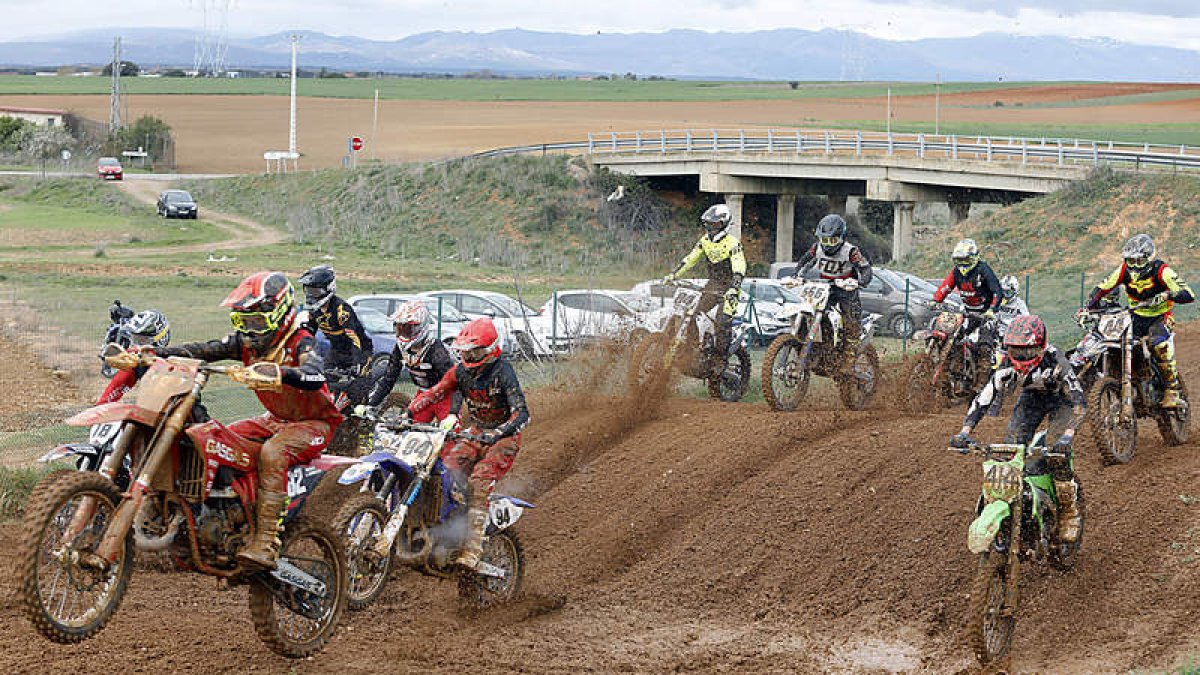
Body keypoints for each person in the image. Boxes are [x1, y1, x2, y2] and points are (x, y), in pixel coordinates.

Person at [156, 272, 342, 569]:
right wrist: (156, 352)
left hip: (314, 424)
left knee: (273, 452)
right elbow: (206, 349)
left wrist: (281, 373)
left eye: (257, 322)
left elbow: (314, 372)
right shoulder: (247, 345)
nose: (251, 331)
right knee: (214, 439)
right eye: (244, 323)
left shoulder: (301, 341)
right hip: (276, 419)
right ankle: (227, 512)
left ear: (279, 314)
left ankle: (266, 541)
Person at [950, 315, 1085, 543]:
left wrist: (1067, 436)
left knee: (1055, 455)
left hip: (1062, 402)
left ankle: (1069, 512)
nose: (1021, 357)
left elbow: (1079, 403)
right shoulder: (1005, 366)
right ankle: (1016, 505)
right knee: (1010, 452)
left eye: (1027, 352)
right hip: (1031, 399)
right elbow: (984, 398)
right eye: (1017, 351)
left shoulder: (1056, 361)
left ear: (1041, 347)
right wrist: (965, 431)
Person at [407, 318, 529, 570]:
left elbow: (522, 413)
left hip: (503, 438)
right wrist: (410, 410)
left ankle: (472, 549)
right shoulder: (460, 372)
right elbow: (437, 391)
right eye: (466, 351)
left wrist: (499, 432)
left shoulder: (502, 372)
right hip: (475, 433)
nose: (470, 356)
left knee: (480, 480)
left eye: (475, 351)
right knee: (444, 472)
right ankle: (445, 531)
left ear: (490, 349)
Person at [1085, 234, 1194, 407]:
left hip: (1160, 317)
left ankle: (1172, 390)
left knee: (1159, 344)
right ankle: (1125, 378)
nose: (1135, 266)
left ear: (1149, 259)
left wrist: (1167, 294)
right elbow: (1103, 287)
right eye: (1131, 261)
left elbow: (1189, 294)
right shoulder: (1123, 270)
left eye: (1139, 261)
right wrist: (1088, 307)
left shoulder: (1162, 270)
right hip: (1135, 316)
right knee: (1113, 342)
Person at [662, 203, 746, 365]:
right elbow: (689, 259)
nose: (711, 227)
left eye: (715, 224)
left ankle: (720, 360)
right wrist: (673, 274)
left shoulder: (733, 243)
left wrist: (735, 287)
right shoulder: (704, 241)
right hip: (713, 285)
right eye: (709, 224)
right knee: (692, 314)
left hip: (730, 288)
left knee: (722, 321)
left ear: (724, 224)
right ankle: (692, 350)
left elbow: (739, 266)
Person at [791, 213, 872, 369]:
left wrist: (860, 281)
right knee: (810, 310)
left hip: (845, 288)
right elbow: (805, 261)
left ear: (841, 238)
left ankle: (849, 357)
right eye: (824, 240)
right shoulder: (817, 247)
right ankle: (811, 346)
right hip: (825, 286)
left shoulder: (851, 251)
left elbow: (865, 268)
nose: (827, 244)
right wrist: (796, 275)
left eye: (832, 240)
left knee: (850, 319)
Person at [361, 300, 462, 424]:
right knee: (408, 429)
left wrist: (453, 413)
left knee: (448, 433)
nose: (403, 333)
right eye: (399, 328)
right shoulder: (399, 348)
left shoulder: (436, 350)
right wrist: (371, 404)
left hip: (446, 396)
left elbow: (454, 383)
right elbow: (389, 378)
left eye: (408, 329)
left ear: (421, 327)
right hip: (423, 396)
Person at [298, 264, 372, 388]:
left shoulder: (341, 310)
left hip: (360, 350)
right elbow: (309, 332)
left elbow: (354, 339)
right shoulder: (314, 310)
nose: (311, 295)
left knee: (359, 386)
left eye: (315, 291)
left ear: (328, 288)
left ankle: (367, 405)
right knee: (320, 382)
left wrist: (357, 363)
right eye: (309, 290)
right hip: (336, 351)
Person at [932, 238, 1003, 350]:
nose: (962, 264)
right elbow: (946, 286)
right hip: (967, 312)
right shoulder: (956, 271)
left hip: (985, 313)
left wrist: (992, 309)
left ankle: (985, 365)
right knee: (954, 336)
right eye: (959, 260)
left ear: (974, 257)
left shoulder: (983, 269)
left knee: (984, 342)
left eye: (965, 260)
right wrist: (936, 300)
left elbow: (997, 291)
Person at [98, 309, 171, 404]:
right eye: (135, 340)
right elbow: (112, 392)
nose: (138, 346)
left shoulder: (180, 359)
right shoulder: (135, 358)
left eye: (143, 341)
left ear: (161, 338)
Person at [996, 274, 1029, 340]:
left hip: (1013, 333)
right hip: (999, 330)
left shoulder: (1019, 304)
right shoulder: (999, 301)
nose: (1005, 295)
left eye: (1008, 293)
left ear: (1015, 291)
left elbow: (1026, 319)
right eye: (1003, 292)